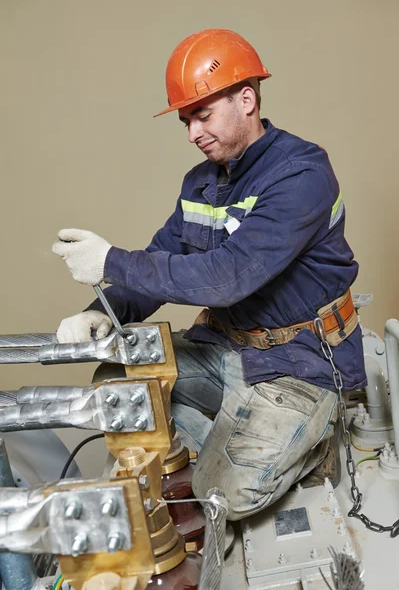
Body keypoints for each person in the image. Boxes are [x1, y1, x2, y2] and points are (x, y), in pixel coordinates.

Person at [52, 28, 367, 521]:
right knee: (117, 382)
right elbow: (166, 254)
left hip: (300, 363)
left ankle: (307, 443)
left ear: (247, 100)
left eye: (202, 115)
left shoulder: (302, 173)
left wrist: (109, 260)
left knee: (222, 494)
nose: (192, 133)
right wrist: (101, 311)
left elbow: (229, 277)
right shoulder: (200, 182)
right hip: (228, 344)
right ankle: (242, 436)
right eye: (185, 121)